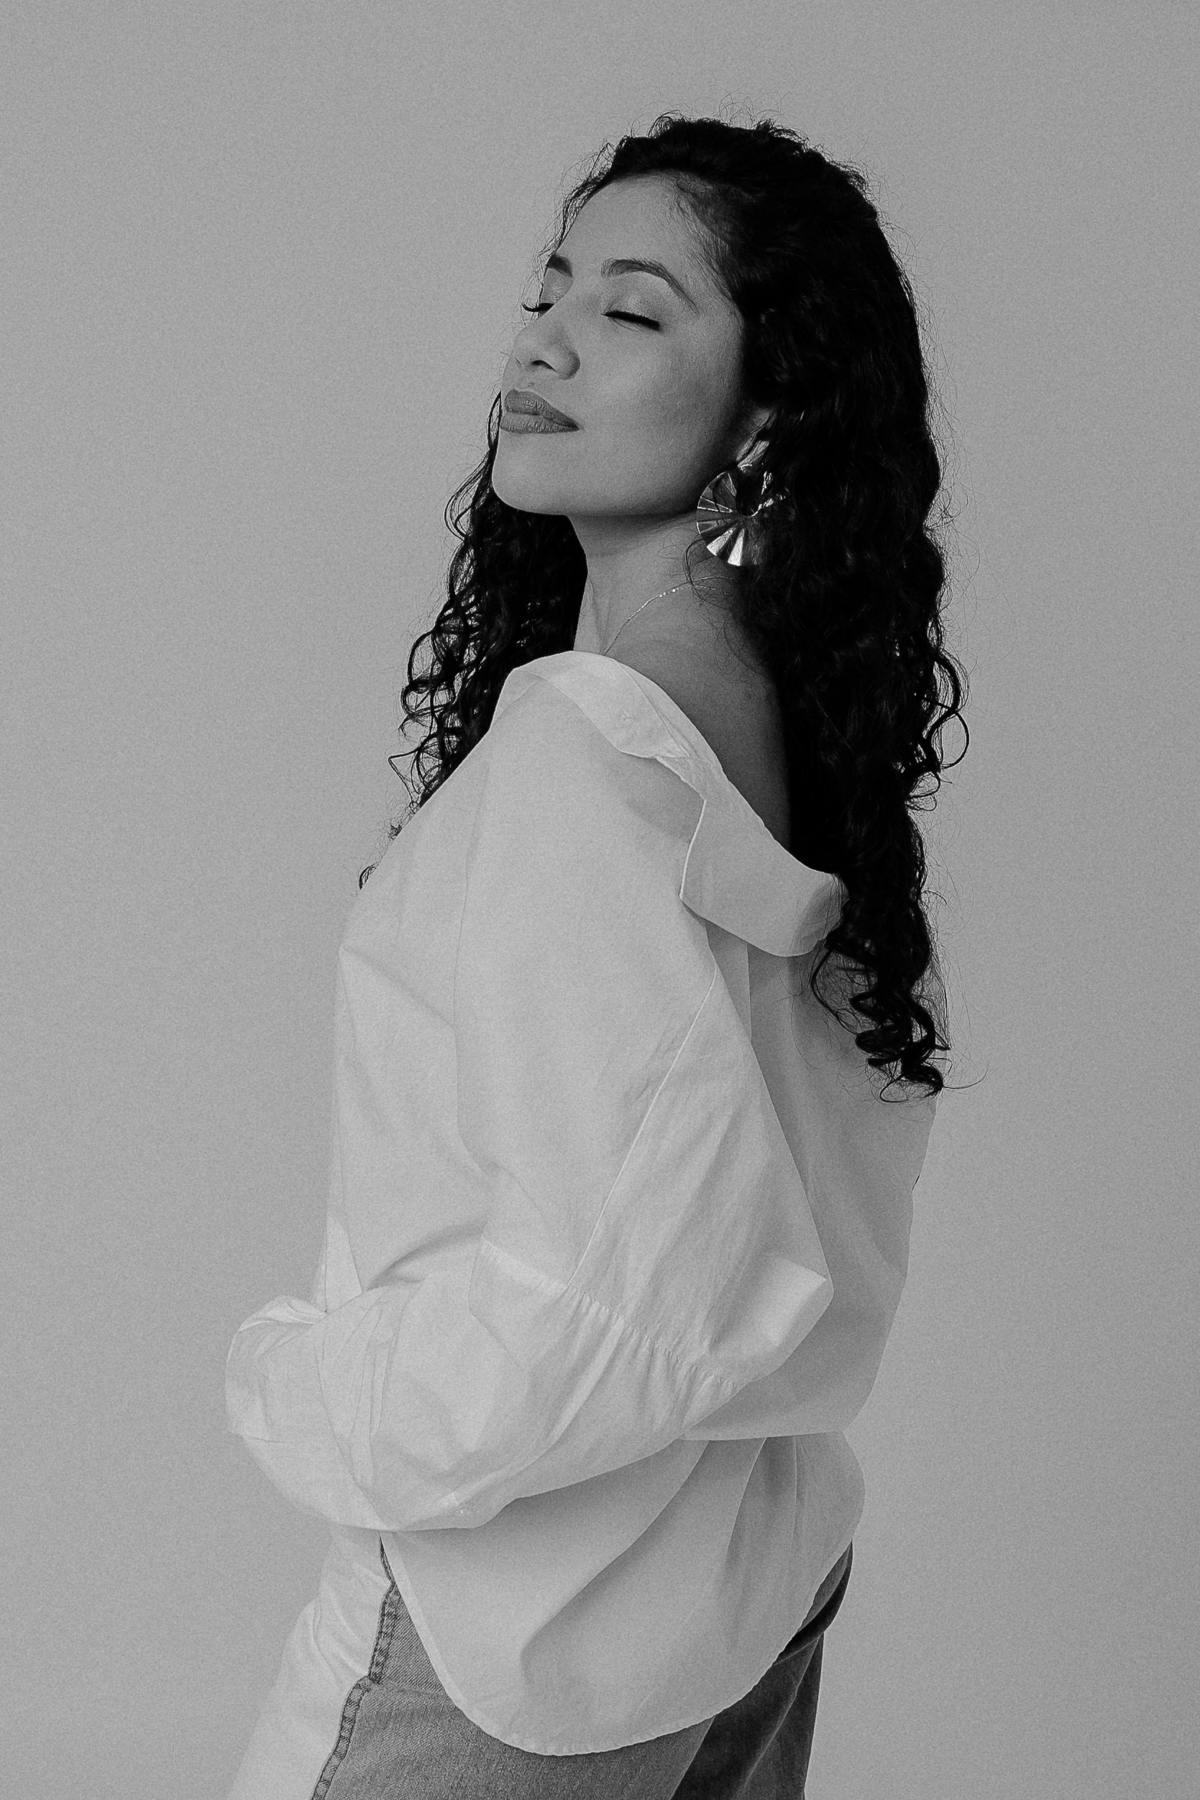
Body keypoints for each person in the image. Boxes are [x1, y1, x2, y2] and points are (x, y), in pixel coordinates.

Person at [223, 112, 967, 1798]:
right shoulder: (802, 762)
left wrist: (296, 1388)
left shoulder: (585, 756)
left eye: (631, 311)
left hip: (523, 1633)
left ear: (768, 414)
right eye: (549, 291)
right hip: (736, 1588)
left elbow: (620, 1295)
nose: (544, 341)